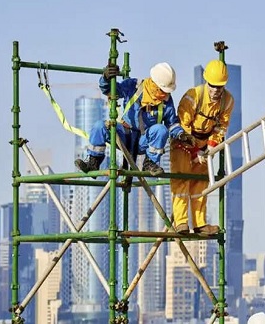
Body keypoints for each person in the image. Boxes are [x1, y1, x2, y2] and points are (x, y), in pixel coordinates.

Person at [75, 61, 192, 176]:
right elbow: (110, 91)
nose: (165, 95)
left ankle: (150, 163)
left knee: (161, 129)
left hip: (144, 141)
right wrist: (106, 78)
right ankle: (93, 161)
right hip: (124, 136)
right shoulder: (133, 87)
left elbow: (171, 124)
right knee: (100, 126)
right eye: (163, 91)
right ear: (154, 84)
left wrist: (181, 134)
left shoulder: (166, 101)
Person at [170, 60, 234, 235]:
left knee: (200, 183)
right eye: (212, 86)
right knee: (182, 179)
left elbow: (221, 127)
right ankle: (181, 223)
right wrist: (194, 151)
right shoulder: (193, 97)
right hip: (183, 142)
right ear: (206, 82)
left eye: (219, 87)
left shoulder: (227, 101)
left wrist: (209, 148)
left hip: (204, 144)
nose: (215, 91)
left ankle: (199, 224)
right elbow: (182, 127)